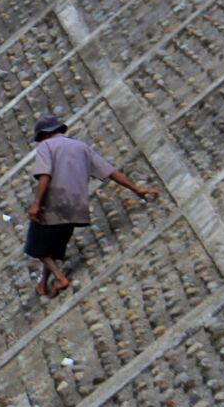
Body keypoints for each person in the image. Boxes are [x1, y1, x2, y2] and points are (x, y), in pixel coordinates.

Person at [24, 114, 160, 297]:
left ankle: (60, 278)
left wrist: (36, 203)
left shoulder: (46, 146)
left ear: (45, 135)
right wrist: (137, 189)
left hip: (53, 203)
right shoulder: (82, 147)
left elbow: (45, 176)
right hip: (77, 207)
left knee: (36, 247)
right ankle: (43, 283)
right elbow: (110, 171)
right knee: (53, 248)